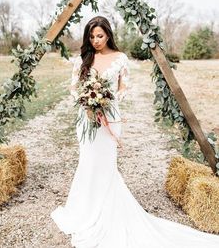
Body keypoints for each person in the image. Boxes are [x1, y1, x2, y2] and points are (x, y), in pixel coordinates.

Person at [50, 16, 219, 247]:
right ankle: (84, 209)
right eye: (91, 36)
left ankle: (106, 211)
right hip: (86, 118)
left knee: (106, 163)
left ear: (108, 34)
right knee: (88, 161)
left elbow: (123, 87)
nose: (96, 40)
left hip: (110, 117)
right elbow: (73, 87)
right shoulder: (84, 58)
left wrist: (105, 101)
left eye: (99, 35)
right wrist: (88, 105)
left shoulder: (120, 58)